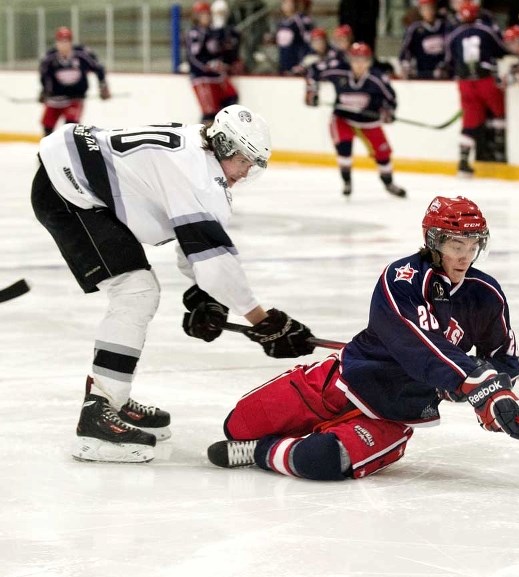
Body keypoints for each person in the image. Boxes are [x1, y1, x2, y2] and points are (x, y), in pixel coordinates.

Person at [31, 105, 317, 464]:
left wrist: (207, 298)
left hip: (70, 176)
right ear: (226, 147)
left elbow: (192, 240)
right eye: (244, 161)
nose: (245, 173)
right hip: (68, 192)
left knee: (139, 289)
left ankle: (112, 399)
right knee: (136, 291)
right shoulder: (200, 176)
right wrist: (263, 321)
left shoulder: (196, 150)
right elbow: (213, 262)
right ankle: (97, 416)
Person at [207, 195, 519, 479]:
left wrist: (496, 394)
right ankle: (268, 441)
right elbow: (417, 343)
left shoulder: (485, 293)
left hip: (394, 412)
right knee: (238, 426)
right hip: (342, 381)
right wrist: (469, 380)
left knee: (320, 460)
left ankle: (261, 452)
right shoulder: (403, 278)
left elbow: (502, 356)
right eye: (456, 245)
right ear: (433, 241)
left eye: (473, 246)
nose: (465, 256)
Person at [305, 42, 406, 198]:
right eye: (355, 60)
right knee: (344, 148)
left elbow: (391, 98)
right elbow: (313, 71)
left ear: (369, 61)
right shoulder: (339, 72)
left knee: (383, 152)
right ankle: (347, 181)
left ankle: (388, 183)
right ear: (350, 60)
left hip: (369, 122)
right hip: (343, 119)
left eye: (363, 60)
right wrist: (312, 91)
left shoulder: (377, 79)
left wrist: (388, 112)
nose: (359, 64)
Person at [442, 0, 508, 176]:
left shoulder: (454, 34)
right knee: (499, 112)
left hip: (465, 83)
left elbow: (448, 61)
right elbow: (502, 49)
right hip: (485, 79)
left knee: (470, 121)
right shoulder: (486, 30)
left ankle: (463, 161)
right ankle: (500, 151)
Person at [38, 27, 110, 137]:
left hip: (75, 99)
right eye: (60, 42)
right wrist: (44, 91)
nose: (63, 45)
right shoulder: (50, 58)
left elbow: (99, 68)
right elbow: (44, 75)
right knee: (47, 127)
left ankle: (70, 151)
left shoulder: (82, 55)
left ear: (71, 42)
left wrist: (103, 86)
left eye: (66, 42)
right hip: (55, 100)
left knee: (70, 128)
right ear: (56, 43)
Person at [185, 1, 240, 123]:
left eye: (207, 14)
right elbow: (193, 56)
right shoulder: (195, 33)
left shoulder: (213, 32)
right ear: (196, 17)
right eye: (203, 14)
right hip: (202, 77)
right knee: (210, 113)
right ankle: (202, 139)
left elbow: (222, 50)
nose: (206, 17)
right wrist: (207, 65)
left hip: (217, 76)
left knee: (231, 99)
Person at [398, 0, 447, 79]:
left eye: (430, 8)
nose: (428, 12)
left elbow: (451, 48)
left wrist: (446, 65)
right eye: (425, 9)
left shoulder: (445, 26)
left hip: (443, 74)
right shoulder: (415, 29)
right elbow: (405, 51)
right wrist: (406, 65)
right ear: (420, 11)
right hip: (422, 73)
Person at [275, 0, 314, 75]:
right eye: (283, 2)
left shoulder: (302, 20)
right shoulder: (282, 22)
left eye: (288, 2)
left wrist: (303, 64)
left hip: (297, 64)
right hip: (284, 63)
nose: (285, 5)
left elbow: (309, 42)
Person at [211, 0, 244, 76]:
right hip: (212, 70)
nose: (220, 15)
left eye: (223, 12)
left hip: (228, 68)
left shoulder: (233, 32)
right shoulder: (207, 32)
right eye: (218, 12)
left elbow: (235, 51)